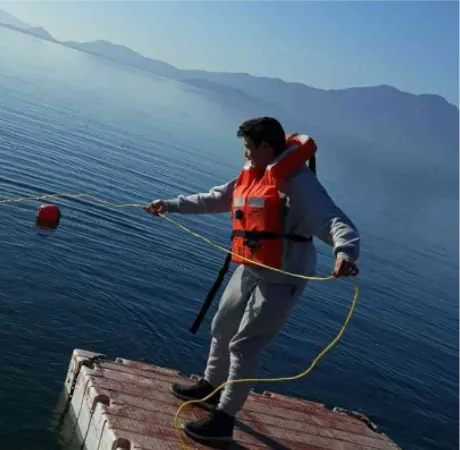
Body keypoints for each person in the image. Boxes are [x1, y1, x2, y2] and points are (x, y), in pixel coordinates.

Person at [144, 117, 360, 443]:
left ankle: (223, 422)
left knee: (245, 345)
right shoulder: (253, 173)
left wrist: (345, 252)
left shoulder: (299, 182)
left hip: (283, 274)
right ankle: (212, 386)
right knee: (222, 325)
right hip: (251, 264)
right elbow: (215, 198)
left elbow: (332, 220)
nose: (244, 154)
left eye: (248, 147)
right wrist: (170, 205)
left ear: (265, 147)